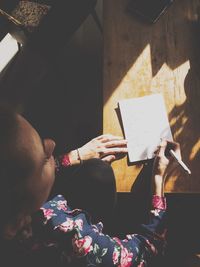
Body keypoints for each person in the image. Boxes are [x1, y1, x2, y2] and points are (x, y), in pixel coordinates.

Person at [0, 104, 181, 267]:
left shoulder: (12, 211)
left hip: (62, 211)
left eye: (40, 142)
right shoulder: (72, 239)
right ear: (17, 221)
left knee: (98, 171)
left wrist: (75, 155)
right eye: (44, 158)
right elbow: (147, 251)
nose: (51, 144)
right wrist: (158, 178)